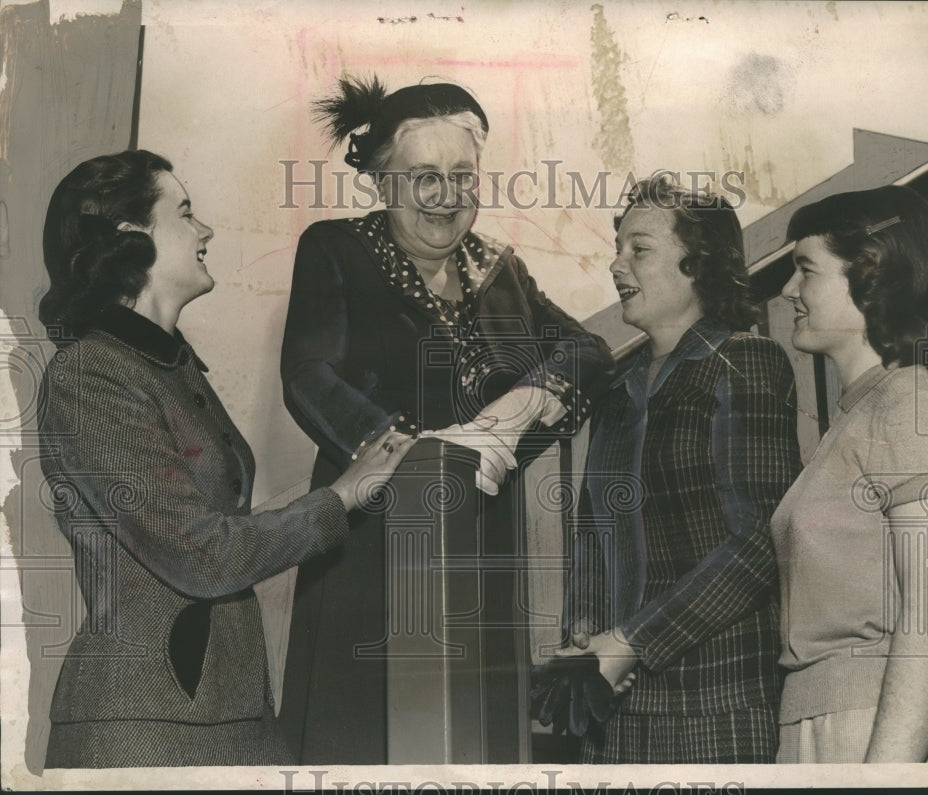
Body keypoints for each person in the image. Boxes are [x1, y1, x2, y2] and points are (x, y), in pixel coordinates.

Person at [36, 150, 414, 768]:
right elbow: (203, 555)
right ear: (132, 236)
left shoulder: (169, 362)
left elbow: (211, 529)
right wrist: (339, 497)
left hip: (223, 708)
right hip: (143, 726)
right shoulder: (91, 374)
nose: (205, 230)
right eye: (185, 213)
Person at [279, 76, 615, 762]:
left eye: (462, 174)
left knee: (474, 738)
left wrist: (511, 414)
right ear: (380, 181)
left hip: (483, 543)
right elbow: (308, 376)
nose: (445, 195)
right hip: (367, 547)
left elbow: (588, 348)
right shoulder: (334, 249)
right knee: (367, 740)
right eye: (422, 176)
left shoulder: (502, 270)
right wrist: (417, 454)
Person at [560, 175, 801, 763]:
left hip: (716, 704)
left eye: (638, 249)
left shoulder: (745, 361)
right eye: (617, 248)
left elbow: (757, 543)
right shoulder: (616, 387)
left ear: (699, 263)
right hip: (613, 709)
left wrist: (632, 641)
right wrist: (583, 631)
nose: (617, 265)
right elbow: (596, 536)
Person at [773, 185, 928, 763]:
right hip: (826, 729)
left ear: (871, 276)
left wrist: (884, 777)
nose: (788, 290)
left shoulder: (910, 401)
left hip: (877, 736)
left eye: (805, 270)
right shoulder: (859, 414)